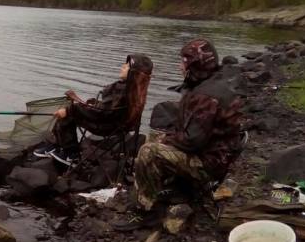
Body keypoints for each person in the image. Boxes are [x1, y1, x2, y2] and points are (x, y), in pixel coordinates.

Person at [134, 39, 244, 211]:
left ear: (195, 65)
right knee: (156, 137)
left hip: (208, 164)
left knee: (148, 151)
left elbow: (192, 141)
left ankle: (146, 207)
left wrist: (166, 140)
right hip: (218, 153)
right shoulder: (214, 82)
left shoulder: (206, 96)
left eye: (183, 63)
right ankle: (167, 184)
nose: (180, 67)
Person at [33, 58, 132, 166]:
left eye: (127, 66)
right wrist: (92, 104)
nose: (123, 66)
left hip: (107, 126)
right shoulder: (132, 88)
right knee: (69, 110)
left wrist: (71, 110)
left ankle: (71, 154)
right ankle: (57, 146)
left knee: (68, 113)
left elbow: (103, 113)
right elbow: (109, 110)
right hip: (114, 123)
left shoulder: (123, 90)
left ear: (134, 72)